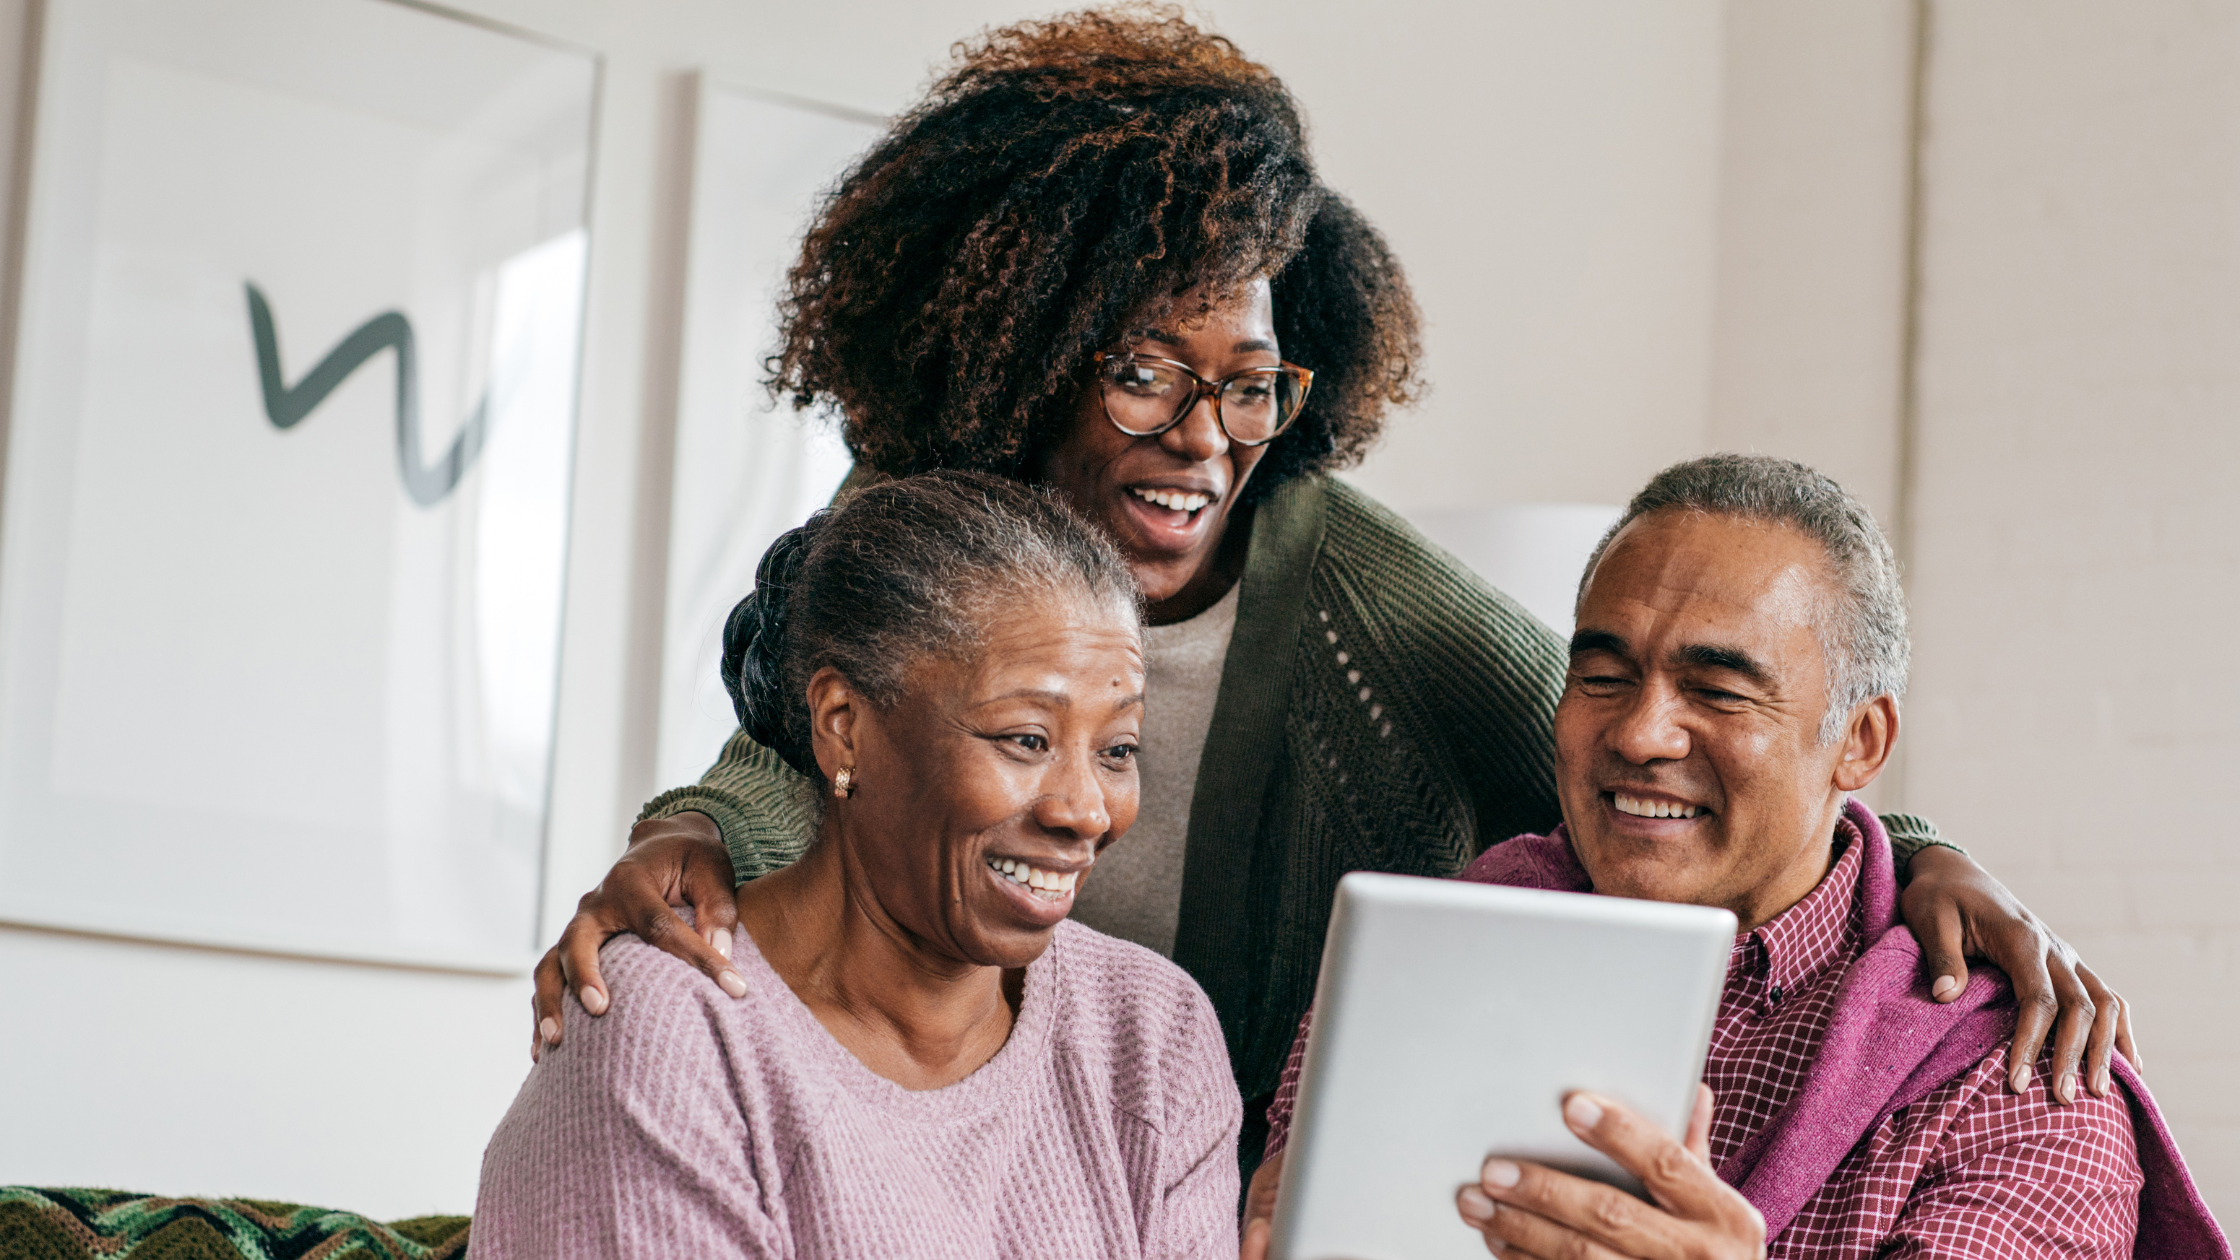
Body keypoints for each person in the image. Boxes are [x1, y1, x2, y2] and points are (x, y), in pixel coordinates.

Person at [532, 8, 2131, 1175]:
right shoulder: (937, 551)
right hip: (922, 1162)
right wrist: (681, 838)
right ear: (1017, 352)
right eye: (1148, 370)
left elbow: (1631, 748)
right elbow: (796, 751)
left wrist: (1915, 849)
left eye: (1252, 385)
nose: (1206, 440)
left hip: (1229, 1196)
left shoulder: (1364, 599)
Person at [1247, 456, 2228, 1260]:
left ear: (1859, 743)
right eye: (1601, 674)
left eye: (1716, 692)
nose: (1640, 733)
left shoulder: (2016, 1086)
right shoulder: (1408, 970)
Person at [474, 472, 1242, 1258]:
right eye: (1025, 739)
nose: (1084, 811)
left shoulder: (1153, 1036)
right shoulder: (680, 1033)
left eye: (1118, 750)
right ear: (843, 726)